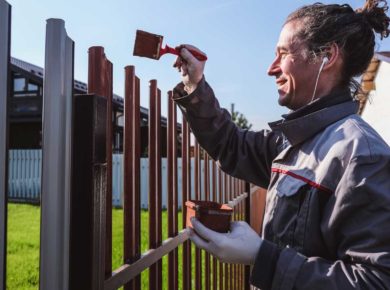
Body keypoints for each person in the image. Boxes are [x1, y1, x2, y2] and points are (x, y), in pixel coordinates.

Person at [172, 1, 390, 289]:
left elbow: (376, 281)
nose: (270, 69)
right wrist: (195, 84)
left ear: (327, 56)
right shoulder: (292, 141)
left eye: (283, 54)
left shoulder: (362, 155)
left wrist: (263, 257)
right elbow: (232, 145)